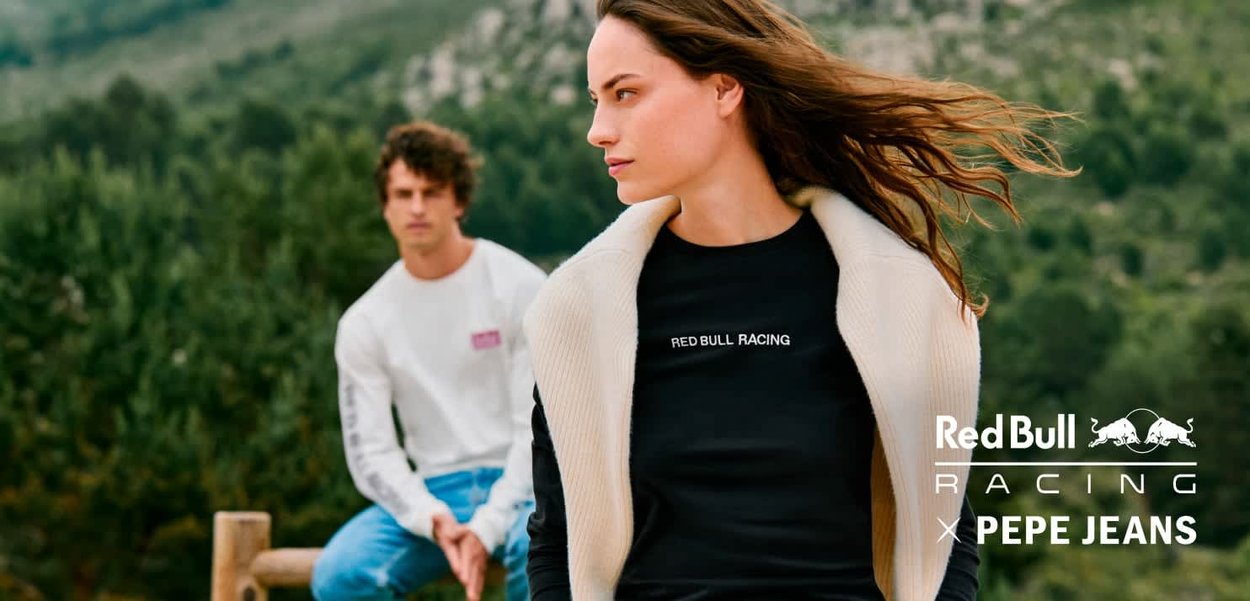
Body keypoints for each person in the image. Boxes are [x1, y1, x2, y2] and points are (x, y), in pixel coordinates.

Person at [523, 1, 1077, 599]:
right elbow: (556, 542)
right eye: (595, 99)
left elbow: (944, 528)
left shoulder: (891, 295)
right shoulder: (579, 312)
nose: (598, 129)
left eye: (625, 93)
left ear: (724, 90)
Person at [311, 121, 545, 601]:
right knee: (340, 575)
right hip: (435, 493)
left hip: (529, 488)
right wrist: (431, 518)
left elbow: (540, 427)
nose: (417, 207)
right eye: (403, 193)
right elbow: (372, 452)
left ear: (458, 201)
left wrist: (489, 525)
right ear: (386, 206)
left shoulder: (520, 287)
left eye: (431, 192)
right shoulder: (365, 322)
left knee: (541, 550)